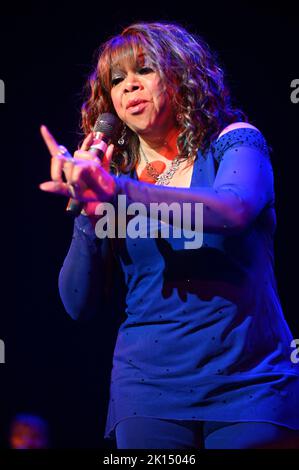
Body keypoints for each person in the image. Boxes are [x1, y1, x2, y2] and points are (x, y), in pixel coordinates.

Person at [39, 22, 299, 449]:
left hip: (251, 383)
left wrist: (117, 191)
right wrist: (88, 213)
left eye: (144, 70)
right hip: (147, 391)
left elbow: (233, 210)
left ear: (180, 75)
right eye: (117, 81)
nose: (129, 87)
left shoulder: (233, 144)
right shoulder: (113, 179)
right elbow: (77, 304)